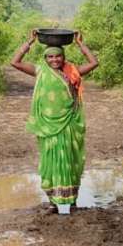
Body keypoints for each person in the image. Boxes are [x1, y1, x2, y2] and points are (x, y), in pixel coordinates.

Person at [10, 30, 99, 214]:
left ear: (63, 57)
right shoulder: (40, 71)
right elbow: (15, 62)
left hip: (69, 124)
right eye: (50, 57)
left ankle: (72, 201)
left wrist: (81, 45)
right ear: (45, 58)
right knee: (49, 162)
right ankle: (53, 203)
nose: (54, 60)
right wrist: (29, 42)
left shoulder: (72, 71)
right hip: (48, 127)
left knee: (70, 161)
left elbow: (94, 63)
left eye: (58, 56)